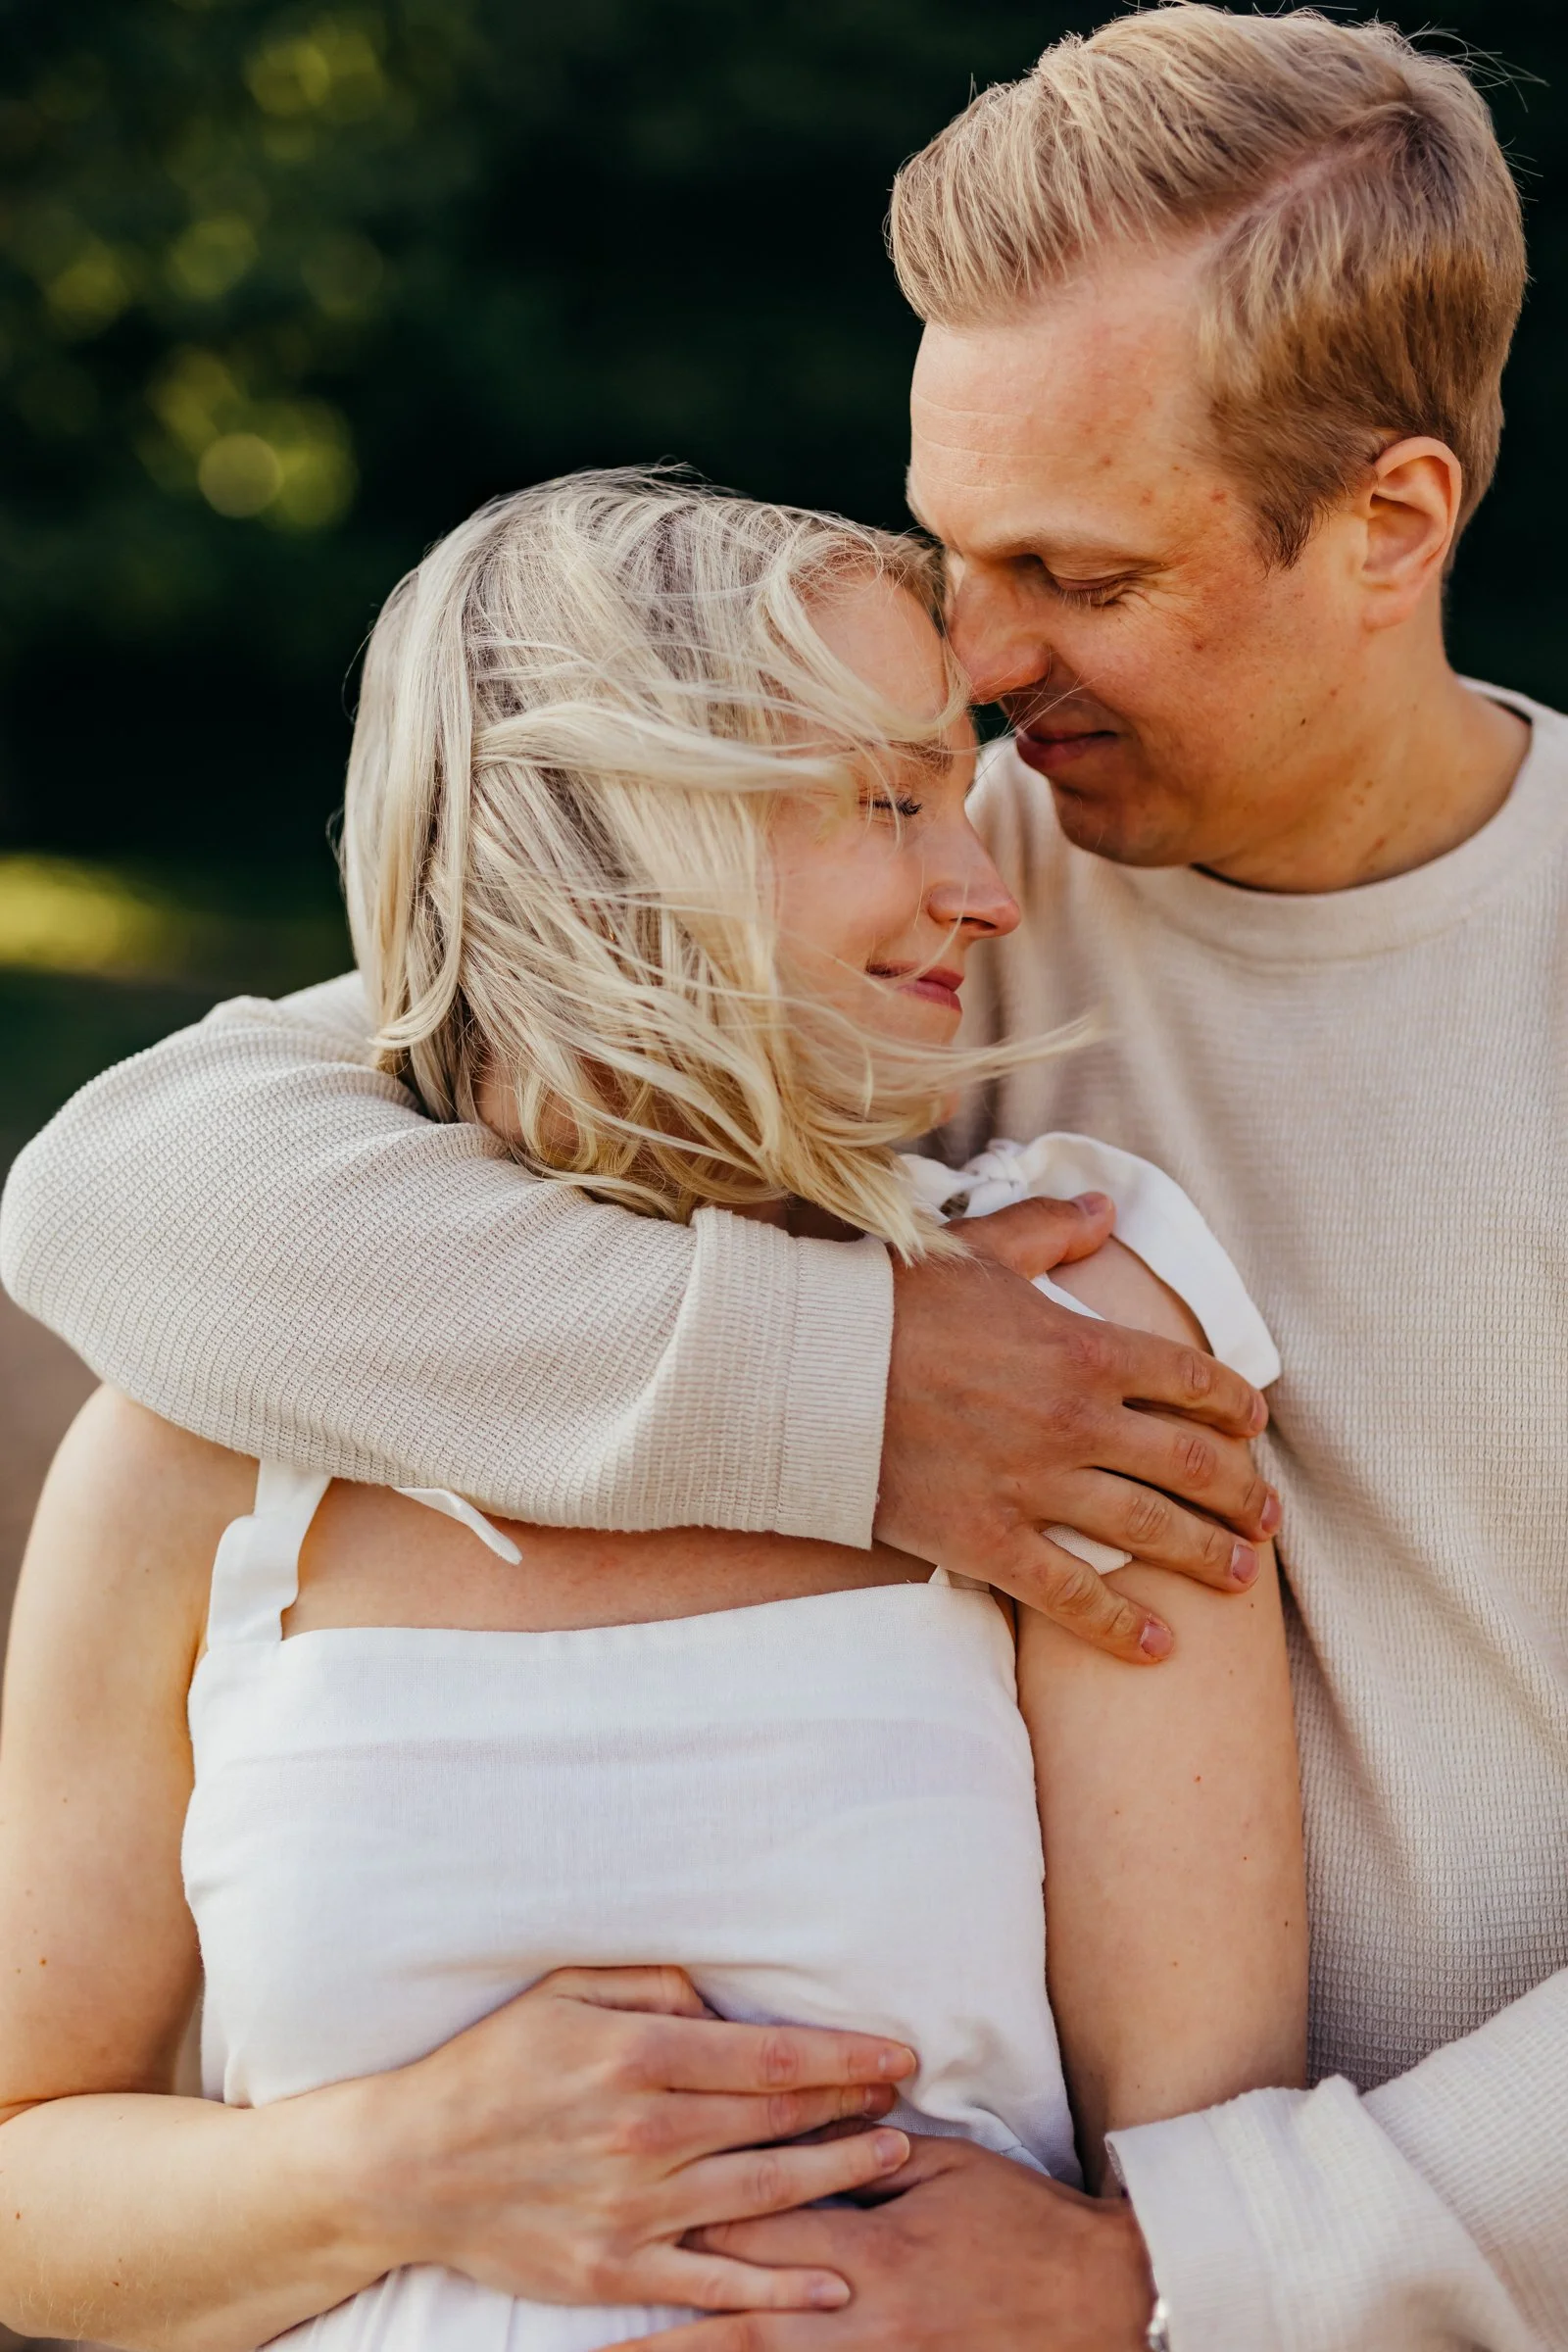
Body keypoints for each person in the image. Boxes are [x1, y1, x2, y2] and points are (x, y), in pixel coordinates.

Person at [3, 5, 1566, 2347]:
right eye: (954, 548)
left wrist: (1189, 2272)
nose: (985, 654)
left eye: (1081, 571)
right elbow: (137, 1196)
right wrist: (830, 1384)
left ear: (1388, 524)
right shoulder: (891, 914)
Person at [0, 474, 1304, 2350]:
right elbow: (33, 2178)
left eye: (962, 790)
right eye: (889, 800)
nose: (985, 887)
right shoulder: (206, 1426)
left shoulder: (1062, 1356)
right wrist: (397, 2167)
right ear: (620, 838)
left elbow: (1214, 2184)